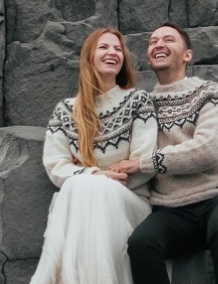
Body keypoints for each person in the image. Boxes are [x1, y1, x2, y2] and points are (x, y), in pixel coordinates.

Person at [110, 23, 218, 284]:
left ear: (187, 54)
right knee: (141, 244)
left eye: (168, 39)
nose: (158, 45)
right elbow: (121, 151)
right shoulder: (143, 106)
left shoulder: (209, 93)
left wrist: (145, 163)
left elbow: (207, 150)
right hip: (172, 209)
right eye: (153, 42)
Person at [32, 27, 158, 284]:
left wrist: (96, 177)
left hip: (131, 202)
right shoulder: (67, 111)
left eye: (117, 48)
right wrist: (95, 173)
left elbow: (144, 161)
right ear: (89, 56)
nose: (112, 52)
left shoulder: (138, 101)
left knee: (84, 187)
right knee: (83, 186)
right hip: (85, 198)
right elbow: (56, 165)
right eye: (104, 47)